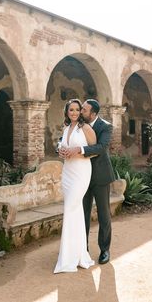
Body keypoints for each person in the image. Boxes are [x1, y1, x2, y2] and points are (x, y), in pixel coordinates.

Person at [63, 99, 115, 265]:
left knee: (103, 214)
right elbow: (64, 138)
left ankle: (104, 250)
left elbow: (101, 147)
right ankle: (81, 249)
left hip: (99, 177)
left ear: (93, 113)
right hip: (79, 176)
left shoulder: (105, 126)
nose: (79, 112)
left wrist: (79, 150)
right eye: (79, 109)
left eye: (83, 110)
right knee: (82, 213)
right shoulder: (76, 125)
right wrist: (61, 147)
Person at [54, 99, 97, 273]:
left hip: (81, 173)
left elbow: (95, 151)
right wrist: (61, 150)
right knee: (75, 211)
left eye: (77, 110)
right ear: (66, 112)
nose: (74, 112)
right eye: (71, 110)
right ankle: (78, 254)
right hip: (68, 173)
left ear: (80, 112)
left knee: (71, 208)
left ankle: (68, 258)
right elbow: (62, 146)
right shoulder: (65, 129)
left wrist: (77, 152)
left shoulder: (85, 128)